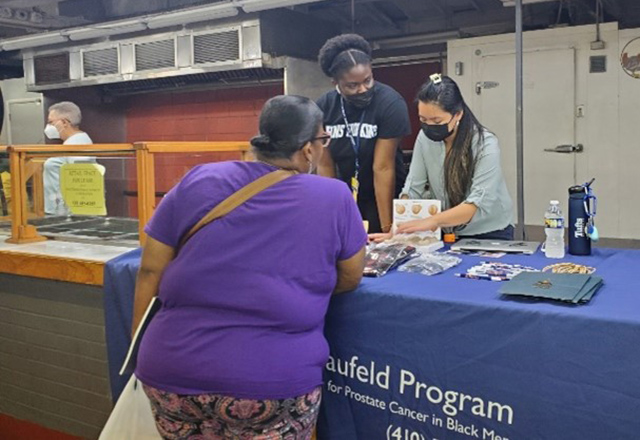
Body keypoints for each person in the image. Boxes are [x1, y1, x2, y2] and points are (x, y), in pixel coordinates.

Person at [132, 95, 367, 440]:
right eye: (323, 140)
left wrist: (141, 349)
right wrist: (301, 285)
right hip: (271, 387)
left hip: (170, 374)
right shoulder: (333, 196)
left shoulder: (200, 178)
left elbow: (150, 269)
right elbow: (350, 276)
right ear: (307, 149)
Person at [374, 74, 514, 241]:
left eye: (437, 120)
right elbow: (413, 187)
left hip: (489, 231)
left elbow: (476, 204)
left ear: (458, 114)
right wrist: (399, 227)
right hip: (446, 230)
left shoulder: (485, 143)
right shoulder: (424, 138)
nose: (429, 126)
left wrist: (431, 221)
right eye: (423, 119)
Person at [316, 34, 411, 234]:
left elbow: (383, 168)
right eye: (352, 85)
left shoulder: (390, 103)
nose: (363, 89)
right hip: (346, 190)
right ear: (335, 82)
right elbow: (324, 164)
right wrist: (333, 212)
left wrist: (387, 230)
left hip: (384, 190)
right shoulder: (324, 107)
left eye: (368, 81)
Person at [43, 101, 95, 215]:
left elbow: (81, 184)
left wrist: (73, 216)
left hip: (68, 215)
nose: (48, 127)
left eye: (51, 122)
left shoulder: (78, 143)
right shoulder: (71, 143)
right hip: (59, 212)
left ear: (64, 122)